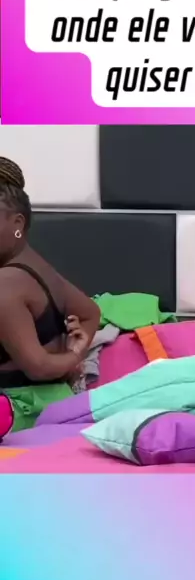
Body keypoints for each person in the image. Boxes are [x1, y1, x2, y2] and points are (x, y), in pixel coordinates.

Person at [0, 157, 100, 432]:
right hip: (56, 398)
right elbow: (91, 313)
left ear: (17, 223)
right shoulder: (37, 267)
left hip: (18, 409)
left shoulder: (6, 283)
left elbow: (38, 367)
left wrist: (74, 357)